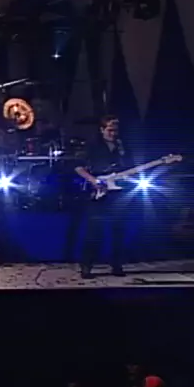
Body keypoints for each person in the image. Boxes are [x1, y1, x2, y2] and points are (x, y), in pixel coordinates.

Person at [74, 115, 134, 278]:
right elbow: (78, 167)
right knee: (94, 231)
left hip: (119, 192)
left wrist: (128, 176)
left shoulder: (123, 147)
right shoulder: (92, 146)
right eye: (110, 130)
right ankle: (87, 265)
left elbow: (129, 167)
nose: (113, 133)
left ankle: (117, 265)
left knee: (119, 229)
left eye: (115, 130)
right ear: (102, 130)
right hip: (98, 192)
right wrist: (93, 180)